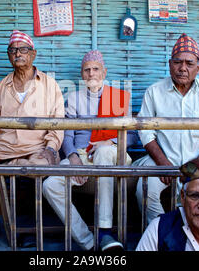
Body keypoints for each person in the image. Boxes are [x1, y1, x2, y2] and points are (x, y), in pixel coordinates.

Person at [0, 30, 65, 250]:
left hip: (35, 147)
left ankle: (10, 168)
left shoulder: (49, 84)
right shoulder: (3, 85)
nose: (18, 53)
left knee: (39, 167)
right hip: (3, 146)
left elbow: (58, 121)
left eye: (23, 49)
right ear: (9, 55)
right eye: (13, 50)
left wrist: (52, 147)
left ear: (33, 54)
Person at [43, 50, 137, 251]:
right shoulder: (74, 99)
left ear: (104, 72)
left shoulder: (117, 97)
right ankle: (88, 242)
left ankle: (104, 232)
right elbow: (67, 136)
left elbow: (132, 136)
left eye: (96, 69)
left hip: (113, 155)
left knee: (103, 153)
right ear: (82, 74)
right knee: (50, 185)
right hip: (83, 156)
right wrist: (74, 157)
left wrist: (110, 142)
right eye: (87, 70)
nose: (91, 74)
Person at [133, 33, 199, 224]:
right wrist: (162, 162)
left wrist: (197, 164)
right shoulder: (154, 91)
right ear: (170, 64)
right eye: (178, 62)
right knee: (144, 191)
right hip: (163, 159)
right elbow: (145, 131)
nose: (182, 68)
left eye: (189, 63)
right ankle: (162, 232)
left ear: (198, 67)